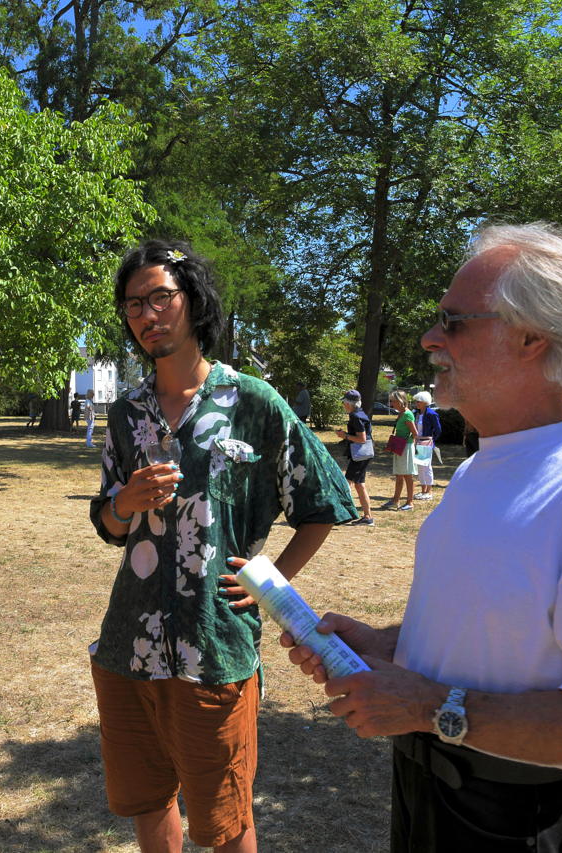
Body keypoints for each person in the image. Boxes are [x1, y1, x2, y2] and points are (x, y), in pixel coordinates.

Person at [280, 223, 562, 852]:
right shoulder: (481, 467)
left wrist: (428, 708)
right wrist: (387, 647)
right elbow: (503, 633)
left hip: (514, 820)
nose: (429, 337)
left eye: (454, 322)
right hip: (427, 793)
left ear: (533, 337)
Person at [89, 240, 355, 853]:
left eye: (160, 297)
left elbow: (321, 505)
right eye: (134, 304)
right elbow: (109, 524)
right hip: (129, 642)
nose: (146, 315)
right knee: (149, 798)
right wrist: (123, 504)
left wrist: (265, 582)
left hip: (215, 644)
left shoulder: (252, 401)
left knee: (227, 818)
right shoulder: (127, 414)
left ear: (193, 302)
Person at [335, 390, 375, 525]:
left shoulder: (356, 416)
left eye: (344, 402)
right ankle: (368, 517)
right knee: (359, 485)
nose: (343, 405)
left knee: (347, 484)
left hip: (360, 455)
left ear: (349, 404)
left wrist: (344, 436)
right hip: (362, 455)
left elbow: (362, 438)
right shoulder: (359, 414)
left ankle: (342, 514)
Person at [382, 390, 418, 511]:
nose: (391, 404)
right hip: (400, 447)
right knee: (399, 475)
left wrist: (405, 444)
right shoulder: (401, 413)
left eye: (393, 401)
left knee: (408, 475)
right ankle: (395, 500)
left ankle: (410, 502)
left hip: (405, 447)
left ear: (400, 401)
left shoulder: (407, 414)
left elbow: (415, 433)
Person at [411, 391, 440, 499]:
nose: (416, 403)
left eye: (419, 401)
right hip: (418, 442)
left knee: (427, 466)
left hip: (427, 442)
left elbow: (438, 430)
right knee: (420, 466)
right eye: (416, 401)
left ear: (425, 402)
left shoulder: (432, 414)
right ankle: (423, 491)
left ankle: (429, 492)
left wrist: (432, 440)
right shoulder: (417, 413)